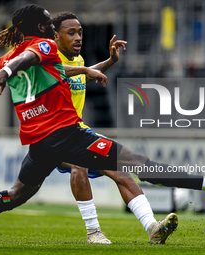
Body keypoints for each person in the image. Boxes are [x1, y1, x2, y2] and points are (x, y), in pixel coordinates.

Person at [0, 4, 205, 247]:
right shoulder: (43, 46)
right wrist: (10, 72)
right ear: (41, 28)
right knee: (136, 163)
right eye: (50, 24)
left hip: (41, 144)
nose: (53, 29)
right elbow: (31, 60)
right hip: (66, 135)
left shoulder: (8, 57)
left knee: (15, 195)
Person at [52, 11, 164, 244]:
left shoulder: (78, 61)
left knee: (120, 169)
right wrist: (85, 70)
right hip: (52, 135)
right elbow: (56, 73)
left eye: (80, 32)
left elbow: (83, 75)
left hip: (79, 132)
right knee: (78, 162)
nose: (78, 37)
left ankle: (152, 227)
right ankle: (93, 232)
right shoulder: (46, 60)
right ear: (55, 36)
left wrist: (110, 62)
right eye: (70, 33)